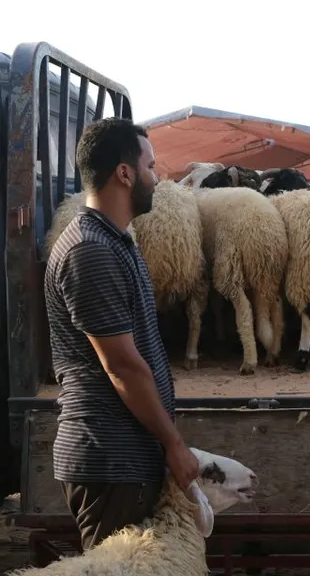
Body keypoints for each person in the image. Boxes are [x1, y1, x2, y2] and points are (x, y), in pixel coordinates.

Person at [43, 116, 199, 551]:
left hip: (126, 458)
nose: (158, 176)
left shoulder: (115, 242)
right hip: (110, 461)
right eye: (151, 166)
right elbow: (123, 366)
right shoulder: (89, 251)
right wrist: (174, 444)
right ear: (125, 174)